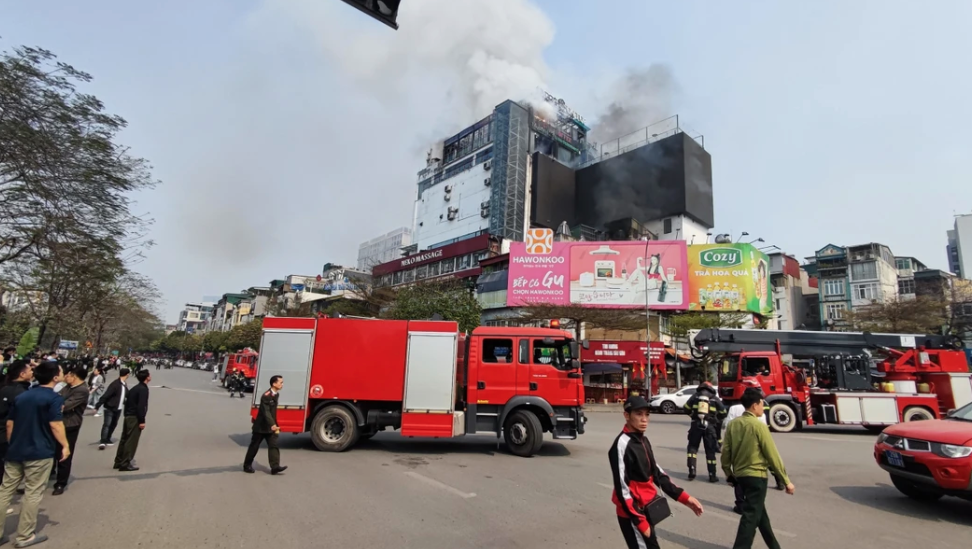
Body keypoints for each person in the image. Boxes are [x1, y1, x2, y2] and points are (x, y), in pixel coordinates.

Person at [610, 395, 704, 549]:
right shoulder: (621, 445)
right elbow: (622, 489)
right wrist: (640, 521)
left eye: (647, 414)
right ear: (627, 415)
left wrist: (685, 498)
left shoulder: (643, 440)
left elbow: (658, 474)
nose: (644, 419)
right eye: (638, 414)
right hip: (632, 514)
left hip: (646, 509)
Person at [0, 361, 70, 548]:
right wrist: (64, 445)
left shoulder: (23, 396)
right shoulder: (54, 398)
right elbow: (56, 424)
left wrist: (13, 443)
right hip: (39, 452)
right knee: (32, 493)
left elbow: (10, 424)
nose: (63, 373)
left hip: (16, 450)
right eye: (61, 371)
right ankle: (24, 536)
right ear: (55, 377)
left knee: (4, 491)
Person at [722, 388, 795, 549]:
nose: (763, 407)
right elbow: (772, 455)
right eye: (762, 404)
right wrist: (786, 481)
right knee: (750, 516)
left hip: (741, 476)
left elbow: (725, 452)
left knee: (759, 513)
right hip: (757, 476)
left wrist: (729, 474)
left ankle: (774, 546)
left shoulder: (733, 425)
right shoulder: (759, 426)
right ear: (754, 405)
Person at [51, 364, 89, 495]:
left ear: (74, 376)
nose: (66, 377)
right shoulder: (68, 387)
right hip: (57, 422)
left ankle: (61, 482)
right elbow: (56, 398)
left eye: (68, 375)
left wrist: (56, 403)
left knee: (64, 453)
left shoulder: (82, 390)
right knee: (51, 451)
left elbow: (65, 405)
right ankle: (50, 473)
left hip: (70, 424)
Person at [684, 381, 727, 482]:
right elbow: (723, 412)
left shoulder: (695, 397)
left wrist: (693, 416)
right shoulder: (714, 398)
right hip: (710, 427)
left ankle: (692, 471)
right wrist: (714, 420)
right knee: (710, 451)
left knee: (692, 449)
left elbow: (686, 409)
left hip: (695, 426)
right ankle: (712, 475)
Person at [243, 375, 287, 475]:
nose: (282, 384)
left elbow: (273, 412)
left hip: (271, 427)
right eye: (280, 382)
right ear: (274, 384)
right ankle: (247, 465)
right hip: (261, 427)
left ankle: (275, 467)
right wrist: (272, 424)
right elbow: (266, 412)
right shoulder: (266, 396)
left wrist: (275, 424)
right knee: (254, 446)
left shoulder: (276, 394)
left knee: (273, 445)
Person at [0, 361, 34, 479]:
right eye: (30, 370)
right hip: (9, 435)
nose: (32, 373)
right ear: (22, 374)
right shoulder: (21, 393)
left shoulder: (5, 388)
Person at [114, 369, 150, 472]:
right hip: (134, 417)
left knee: (124, 439)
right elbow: (141, 406)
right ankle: (125, 463)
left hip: (128, 416)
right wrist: (142, 420)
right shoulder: (143, 389)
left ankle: (118, 461)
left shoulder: (135, 388)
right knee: (131, 441)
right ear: (147, 377)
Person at [95, 368, 130, 450]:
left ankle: (108, 438)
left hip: (118, 408)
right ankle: (102, 441)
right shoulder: (115, 384)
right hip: (110, 408)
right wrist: (98, 405)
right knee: (107, 424)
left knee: (114, 424)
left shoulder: (124, 384)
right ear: (127, 374)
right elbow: (106, 395)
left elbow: (127, 394)